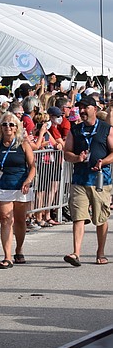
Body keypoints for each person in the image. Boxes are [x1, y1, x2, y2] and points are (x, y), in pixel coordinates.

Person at [62, 96, 113, 267]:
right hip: (80, 179)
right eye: (80, 108)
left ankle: (100, 252)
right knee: (78, 217)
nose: (82, 111)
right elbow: (66, 153)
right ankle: (76, 253)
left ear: (95, 109)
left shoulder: (106, 129)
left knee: (101, 218)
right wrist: (77, 157)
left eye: (85, 107)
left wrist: (103, 162)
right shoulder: (75, 130)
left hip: (101, 180)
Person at [0, 114, 36, 269]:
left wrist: (28, 181)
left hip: (20, 186)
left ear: (16, 127)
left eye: (11, 125)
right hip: (2, 185)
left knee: (19, 220)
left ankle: (19, 250)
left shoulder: (23, 144)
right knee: (6, 219)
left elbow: (32, 166)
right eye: (5, 124)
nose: (8, 127)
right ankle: (7, 256)